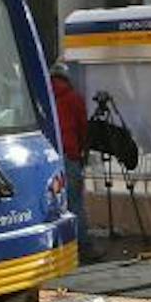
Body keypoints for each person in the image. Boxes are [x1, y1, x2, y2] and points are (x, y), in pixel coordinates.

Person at [49, 63, 98, 261]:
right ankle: (83, 247)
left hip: (49, 157)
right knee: (75, 203)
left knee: (52, 205)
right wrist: (83, 153)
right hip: (70, 155)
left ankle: (56, 249)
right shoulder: (73, 98)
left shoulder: (42, 96)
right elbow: (83, 129)